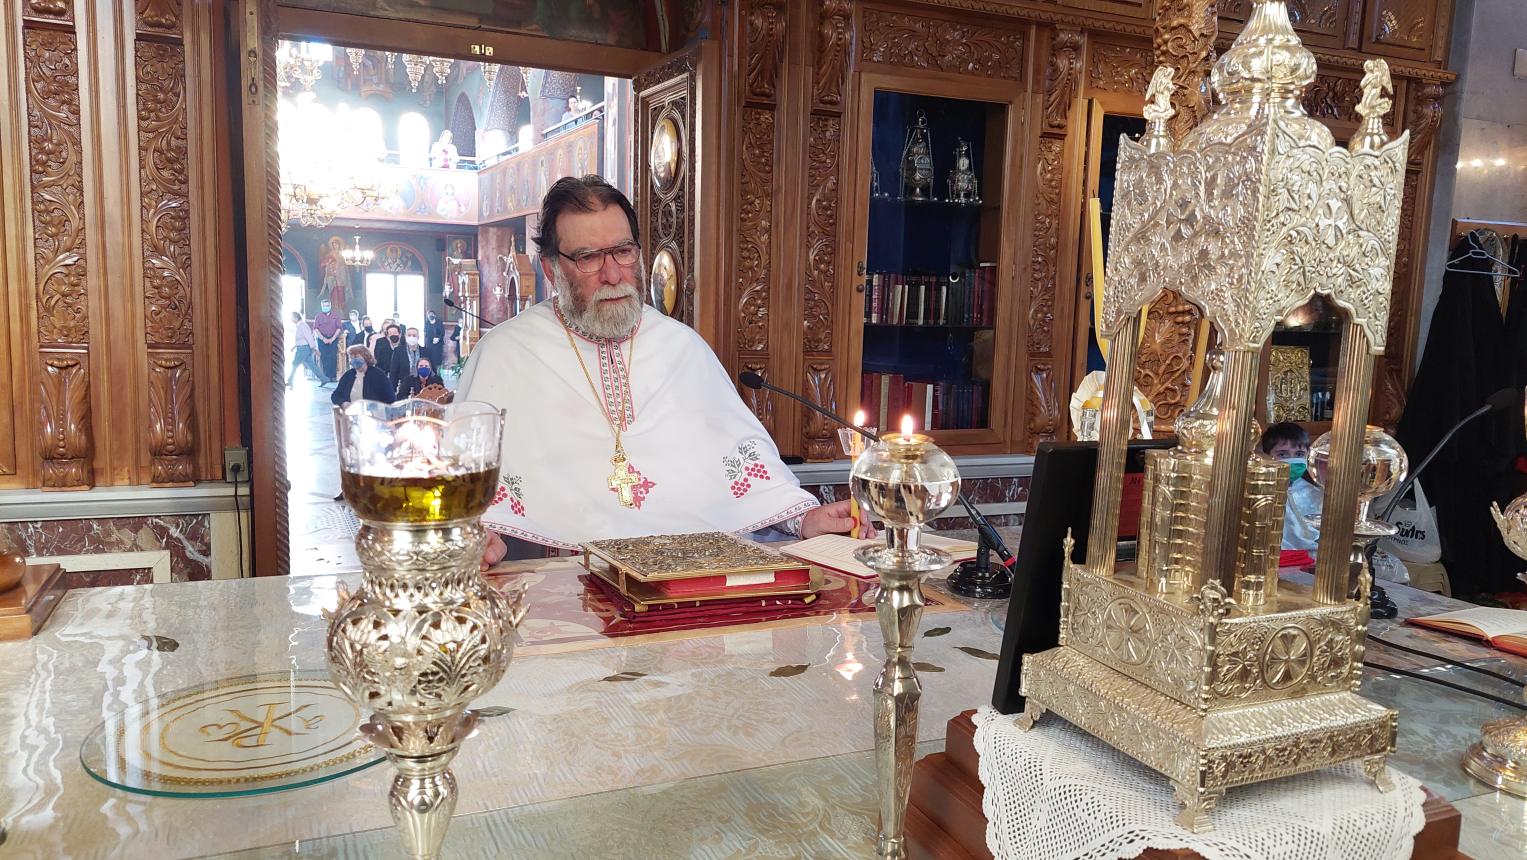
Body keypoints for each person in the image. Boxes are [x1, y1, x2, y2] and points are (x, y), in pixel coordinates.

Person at [458, 174, 866, 564]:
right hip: (567, 588)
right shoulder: (505, 355)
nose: (613, 274)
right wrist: (476, 538)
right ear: (551, 269)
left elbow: (745, 471)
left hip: (690, 586)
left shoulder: (682, 348)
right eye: (588, 258)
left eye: (623, 251)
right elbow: (467, 503)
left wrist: (803, 519)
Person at [331, 345, 394, 498]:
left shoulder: (377, 375)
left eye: (357, 357)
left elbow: (390, 397)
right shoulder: (348, 375)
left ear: (365, 357)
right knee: (352, 456)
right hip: (351, 422)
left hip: (373, 422)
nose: (354, 360)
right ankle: (349, 489)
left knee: (370, 456)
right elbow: (336, 395)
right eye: (352, 357)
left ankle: (371, 488)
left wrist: (373, 407)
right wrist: (344, 402)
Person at [1260, 422, 1319, 556]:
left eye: (1299, 454)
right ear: (1266, 456)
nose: (1292, 459)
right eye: (1282, 455)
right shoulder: (1263, 492)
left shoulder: (1315, 492)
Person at [286, 311, 328, 387]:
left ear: (296, 318)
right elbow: (301, 339)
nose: (291, 320)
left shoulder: (303, 326)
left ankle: (290, 381)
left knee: (295, 364)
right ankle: (324, 379)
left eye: (292, 318)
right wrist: (295, 346)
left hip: (303, 349)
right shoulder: (299, 326)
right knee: (312, 365)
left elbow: (309, 337)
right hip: (302, 348)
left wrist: (314, 349)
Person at [387, 326, 425, 401]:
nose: (412, 337)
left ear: (418, 337)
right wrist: (392, 390)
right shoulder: (398, 351)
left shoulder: (426, 351)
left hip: (421, 386)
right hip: (403, 386)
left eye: (414, 335)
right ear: (405, 337)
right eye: (409, 335)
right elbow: (394, 372)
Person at [313, 300, 342, 385]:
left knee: (332, 357)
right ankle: (326, 377)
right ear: (321, 306)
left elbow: (339, 328)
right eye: (324, 306)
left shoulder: (336, 316)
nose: (325, 307)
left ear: (330, 306)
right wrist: (323, 339)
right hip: (321, 339)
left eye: (327, 305)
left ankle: (333, 376)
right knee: (324, 358)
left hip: (333, 339)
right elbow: (315, 329)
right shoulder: (318, 316)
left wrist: (333, 338)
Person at [373, 322, 402, 389]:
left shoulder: (405, 347)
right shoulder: (383, 349)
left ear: (400, 334)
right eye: (390, 333)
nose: (393, 335)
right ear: (387, 336)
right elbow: (379, 364)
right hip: (385, 378)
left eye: (395, 333)